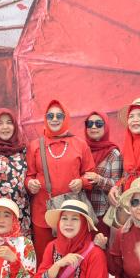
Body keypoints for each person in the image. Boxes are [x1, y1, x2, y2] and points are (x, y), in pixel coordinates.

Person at [26, 99, 96, 257]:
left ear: (66, 118)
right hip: (42, 211)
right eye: (50, 115)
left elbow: (91, 175)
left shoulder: (80, 144)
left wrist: (82, 182)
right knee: (44, 257)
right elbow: (29, 176)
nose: (55, 119)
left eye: (59, 115)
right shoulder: (35, 146)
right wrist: (30, 183)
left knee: (72, 258)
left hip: (71, 212)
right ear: (45, 118)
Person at [81, 109, 121, 237]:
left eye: (98, 124)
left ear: (106, 127)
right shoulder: (80, 149)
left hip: (101, 214)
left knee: (100, 251)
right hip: (81, 212)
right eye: (89, 123)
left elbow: (118, 184)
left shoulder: (113, 153)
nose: (93, 127)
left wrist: (99, 179)